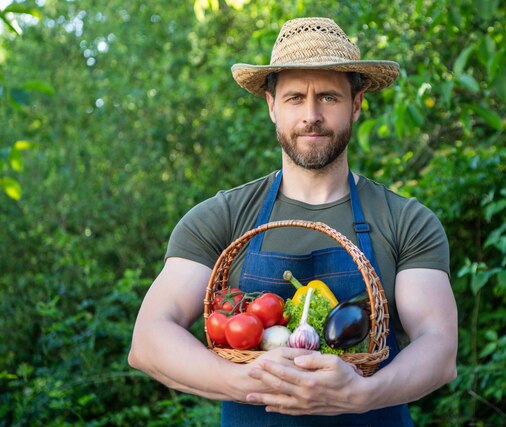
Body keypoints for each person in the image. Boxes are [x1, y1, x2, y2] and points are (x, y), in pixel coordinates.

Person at [128, 17, 457, 426]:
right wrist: (248, 380)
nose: (312, 115)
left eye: (330, 98)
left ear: (356, 105)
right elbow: (148, 340)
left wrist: (362, 396)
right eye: (295, 98)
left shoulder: (406, 221)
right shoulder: (223, 217)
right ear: (272, 106)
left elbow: (439, 347)